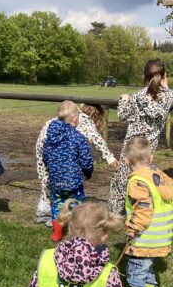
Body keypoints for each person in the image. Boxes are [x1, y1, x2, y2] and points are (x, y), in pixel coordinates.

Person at [108, 58, 173, 214]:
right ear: (164, 76)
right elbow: (158, 111)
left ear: (144, 78)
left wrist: (124, 99)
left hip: (131, 144)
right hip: (148, 146)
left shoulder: (138, 96)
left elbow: (123, 115)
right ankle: (141, 210)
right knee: (144, 177)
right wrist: (167, 88)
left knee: (121, 178)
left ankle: (115, 213)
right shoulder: (169, 97)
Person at [36, 104, 118, 225]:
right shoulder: (82, 119)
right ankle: (68, 217)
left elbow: (43, 144)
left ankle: (45, 210)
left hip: (45, 150)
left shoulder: (55, 122)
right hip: (60, 159)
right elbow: (96, 139)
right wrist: (109, 157)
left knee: (48, 180)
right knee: (72, 190)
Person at [124, 137, 173, 287]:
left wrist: (132, 229)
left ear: (127, 161)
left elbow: (143, 211)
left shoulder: (138, 182)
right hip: (160, 238)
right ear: (151, 159)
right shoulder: (160, 178)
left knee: (136, 273)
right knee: (147, 270)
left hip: (144, 239)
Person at [42, 101, 94, 241]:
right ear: (76, 119)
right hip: (74, 182)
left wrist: (51, 167)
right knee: (75, 206)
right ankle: (75, 234)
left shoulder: (50, 139)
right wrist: (88, 171)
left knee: (57, 205)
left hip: (55, 181)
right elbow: (86, 159)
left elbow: (45, 156)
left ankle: (56, 233)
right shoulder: (78, 138)